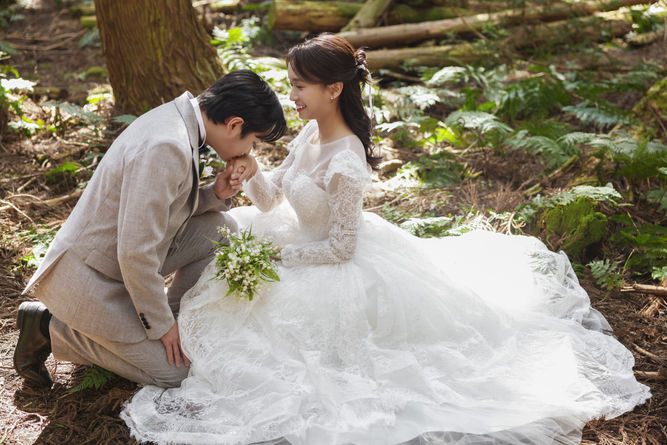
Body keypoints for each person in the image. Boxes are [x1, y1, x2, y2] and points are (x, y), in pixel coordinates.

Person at [120, 35, 650, 445]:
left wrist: (275, 255)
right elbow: (272, 200)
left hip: (330, 262)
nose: (291, 96)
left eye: (300, 86)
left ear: (333, 89)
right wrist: (249, 170)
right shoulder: (310, 132)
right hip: (295, 241)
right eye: (291, 84)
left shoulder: (346, 160)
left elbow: (341, 249)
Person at [13, 70, 286, 389]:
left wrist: (216, 193)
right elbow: (135, 253)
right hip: (92, 278)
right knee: (177, 372)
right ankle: (49, 327)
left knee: (221, 229)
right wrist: (162, 327)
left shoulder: (180, 118)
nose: (250, 151)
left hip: (120, 257)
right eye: (253, 142)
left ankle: (172, 317)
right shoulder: (166, 146)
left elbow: (163, 208)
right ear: (234, 124)